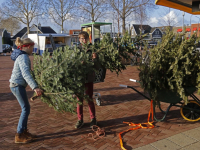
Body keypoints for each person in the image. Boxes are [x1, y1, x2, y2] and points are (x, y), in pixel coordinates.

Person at [9, 37, 43, 143]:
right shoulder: (23, 57)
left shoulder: (22, 56)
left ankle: (24, 132)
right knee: (25, 109)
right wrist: (35, 87)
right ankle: (19, 135)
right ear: (28, 46)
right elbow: (26, 74)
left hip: (17, 85)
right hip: (17, 86)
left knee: (26, 108)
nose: (33, 50)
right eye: (32, 48)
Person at [75, 31, 99, 129]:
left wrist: (95, 59)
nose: (84, 40)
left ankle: (93, 119)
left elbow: (97, 66)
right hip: (79, 78)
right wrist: (79, 63)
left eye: (85, 38)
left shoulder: (92, 49)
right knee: (79, 100)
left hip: (88, 78)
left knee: (89, 99)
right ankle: (80, 120)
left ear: (88, 39)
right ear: (79, 40)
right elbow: (73, 64)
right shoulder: (77, 50)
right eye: (82, 39)